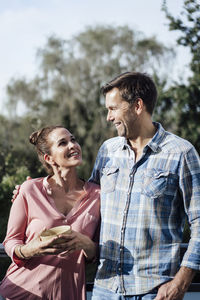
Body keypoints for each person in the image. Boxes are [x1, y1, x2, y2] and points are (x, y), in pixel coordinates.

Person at [89, 72, 200, 300]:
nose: (109, 117)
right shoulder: (107, 150)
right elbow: (85, 202)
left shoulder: (181, 153)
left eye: (113, 108)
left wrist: (181, 282)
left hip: (155, 292)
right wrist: (37, 191)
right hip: (104, 289)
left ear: (137, 106)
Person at [0, 125, 100, 300]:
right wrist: (30, 250)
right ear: (49, 158)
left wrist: (86, 244)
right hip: (22, 292)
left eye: (73, 139)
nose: (73, 145)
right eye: (63, 143)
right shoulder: (29, 190)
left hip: (69, 294)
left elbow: (98, 252)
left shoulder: (98, 196)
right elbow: (11, 240)